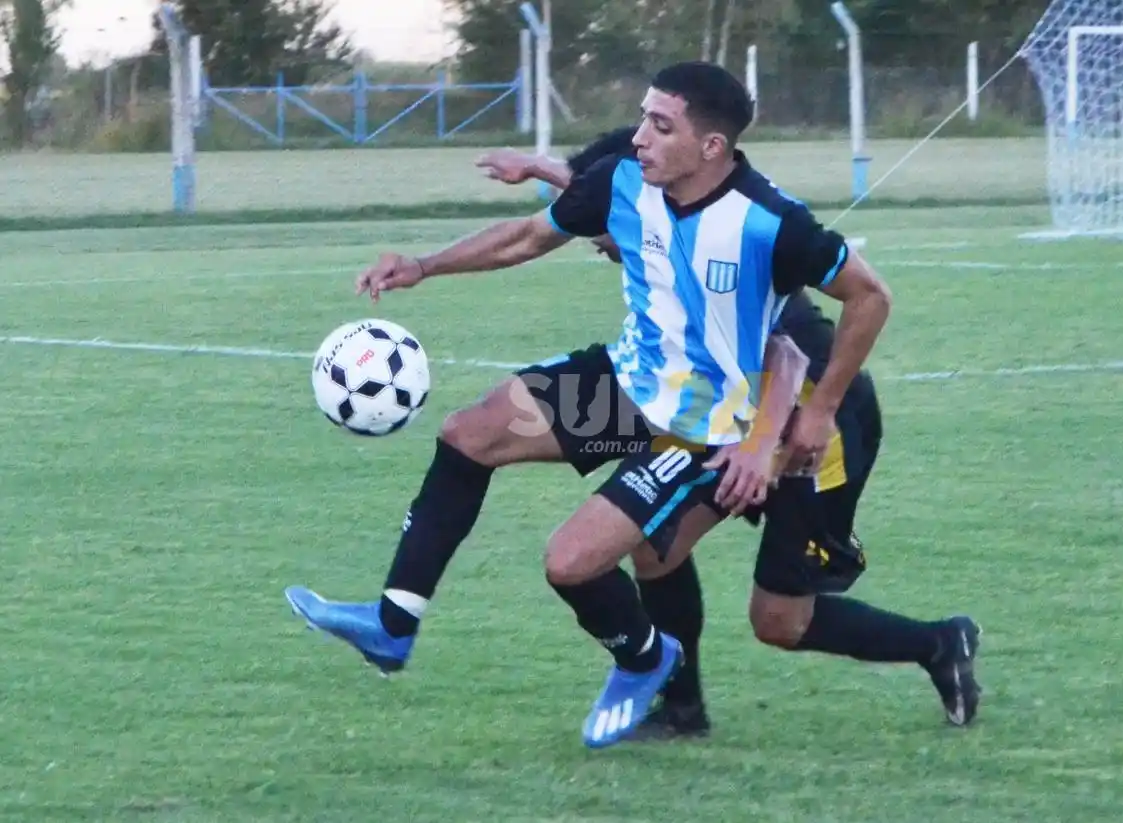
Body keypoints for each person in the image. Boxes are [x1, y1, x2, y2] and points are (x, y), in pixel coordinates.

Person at [284, 61, 893, 749]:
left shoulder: (770, 223)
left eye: (660, 126)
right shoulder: (622, 181)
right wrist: (423, 265)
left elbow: (868, 298)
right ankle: (394, 623)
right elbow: (528, 237)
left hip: (697, 427)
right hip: (623, 384)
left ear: (711, 148)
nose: (639, 137)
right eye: (643, 118)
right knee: (468, 434)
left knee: (570, 563)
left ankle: (646, 657)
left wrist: (814, 414)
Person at [478, 134, 983, 736]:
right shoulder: (649, 220)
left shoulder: (716, 235)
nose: (596, 237)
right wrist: (540, 167)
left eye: (600, 228)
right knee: (654, 545)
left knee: (778, 622)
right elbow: (613, 193)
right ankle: (683, 709)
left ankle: (939, 643)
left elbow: (794, 350)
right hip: (724, 418)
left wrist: (786, 435)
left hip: (812, 424)